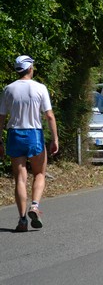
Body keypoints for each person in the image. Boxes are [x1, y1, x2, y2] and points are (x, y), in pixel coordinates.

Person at [0, 55, 59, 232]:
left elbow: (1, 117)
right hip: (34, 134)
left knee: (20, 178)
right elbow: (49, 115)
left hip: (15, 134)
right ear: (30, 68)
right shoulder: (40, 88)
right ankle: (34, 206)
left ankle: (22, 220)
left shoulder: (8, 89)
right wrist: (55, 138)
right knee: (40, 173)